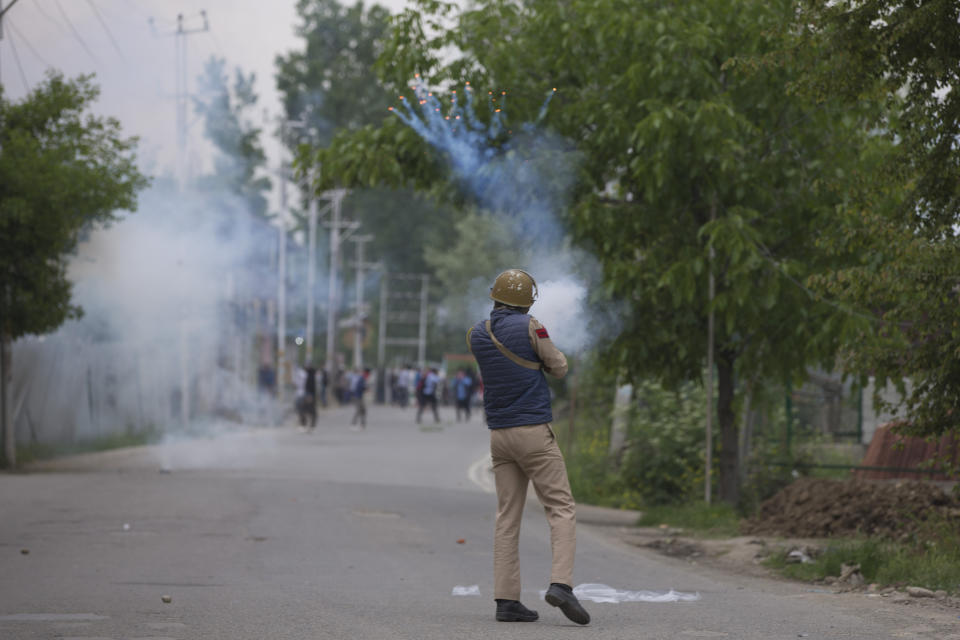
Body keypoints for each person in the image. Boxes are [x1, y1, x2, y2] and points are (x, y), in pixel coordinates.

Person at [467, 269, 590, 625]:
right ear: (527, 300)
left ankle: (507, 600)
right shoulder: (532, 326)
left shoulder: (475, 333)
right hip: (533, 431)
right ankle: (561, 585)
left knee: (507, 517)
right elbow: (560, 367)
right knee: (561, 508)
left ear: (495, 296)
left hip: (499, 435)